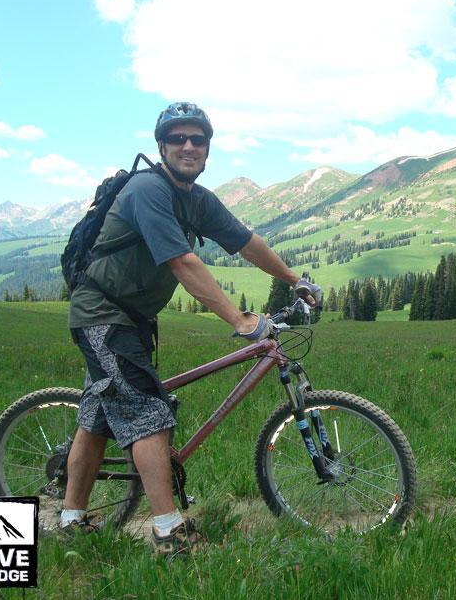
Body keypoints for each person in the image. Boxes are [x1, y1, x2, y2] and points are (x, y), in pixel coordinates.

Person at [61, 102, 321, 557]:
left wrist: (293, 279)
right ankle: (168, 532)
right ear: (161, 146)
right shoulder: (148, 189)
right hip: (102, 313)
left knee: (100, 418)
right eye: (178, 138)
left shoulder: (197, 199)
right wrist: (239, 320)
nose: (188, 146)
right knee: (147, 414)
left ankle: (71, 518)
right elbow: (182, 261)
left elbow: (247, 242)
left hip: (133, 320)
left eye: (197, 139)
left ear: (207, 149)